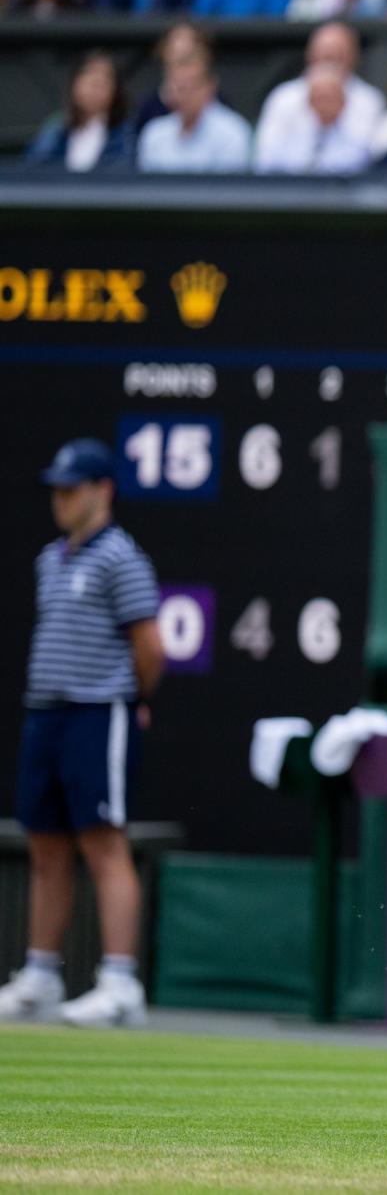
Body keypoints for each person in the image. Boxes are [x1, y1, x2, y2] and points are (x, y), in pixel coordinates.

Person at [0, 440, 164, 1029]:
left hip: (98, 711)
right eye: (57, 490)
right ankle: (41, 975)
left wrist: (134, 699)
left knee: (102, 841)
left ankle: (120, 983)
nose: (61, 500)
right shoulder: (51, 558)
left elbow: (150, 647)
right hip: (45, 712)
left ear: (103, 490)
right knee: (45, 843)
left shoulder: (122, 557)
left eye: (72, 489)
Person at [253, 21, 386, 173]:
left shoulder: (369, 101)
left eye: (336, 56)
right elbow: (265, 160)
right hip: (290, 190)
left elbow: (371, 161)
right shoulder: (284, 97)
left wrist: (336, 121)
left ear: (353, 58)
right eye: (323, 56)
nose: (328, 64)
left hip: (349, 192)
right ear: (310, 56)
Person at [136, 50, 254, 173]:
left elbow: (230, 188)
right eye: (180, 87)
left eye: (192, 86)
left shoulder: (233, 132)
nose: (185, 95)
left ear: (210, 86)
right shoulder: (154, 133)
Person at [25, 53, 132, 173]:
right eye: (88, 75)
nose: (94, 86)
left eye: (105, 80)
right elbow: (32, 173)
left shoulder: (126, 136)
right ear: (74, 84)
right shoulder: (54, 131)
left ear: (116, 90)